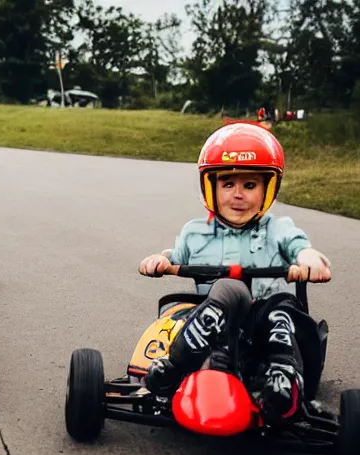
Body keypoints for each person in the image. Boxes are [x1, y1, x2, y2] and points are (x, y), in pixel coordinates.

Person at [138, 123, 332, 423]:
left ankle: (282, 378)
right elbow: (174, 258)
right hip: (215, 317)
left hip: (264, 320)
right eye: (228, 184)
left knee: (280, 311)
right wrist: (160, 260)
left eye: (249, 185)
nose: (238, 195)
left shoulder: (278, 229)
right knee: (229, 289)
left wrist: (308, 259)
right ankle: (178, 363)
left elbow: (298, 247)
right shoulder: (195, 232)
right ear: (210, 187)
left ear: (268, 189)